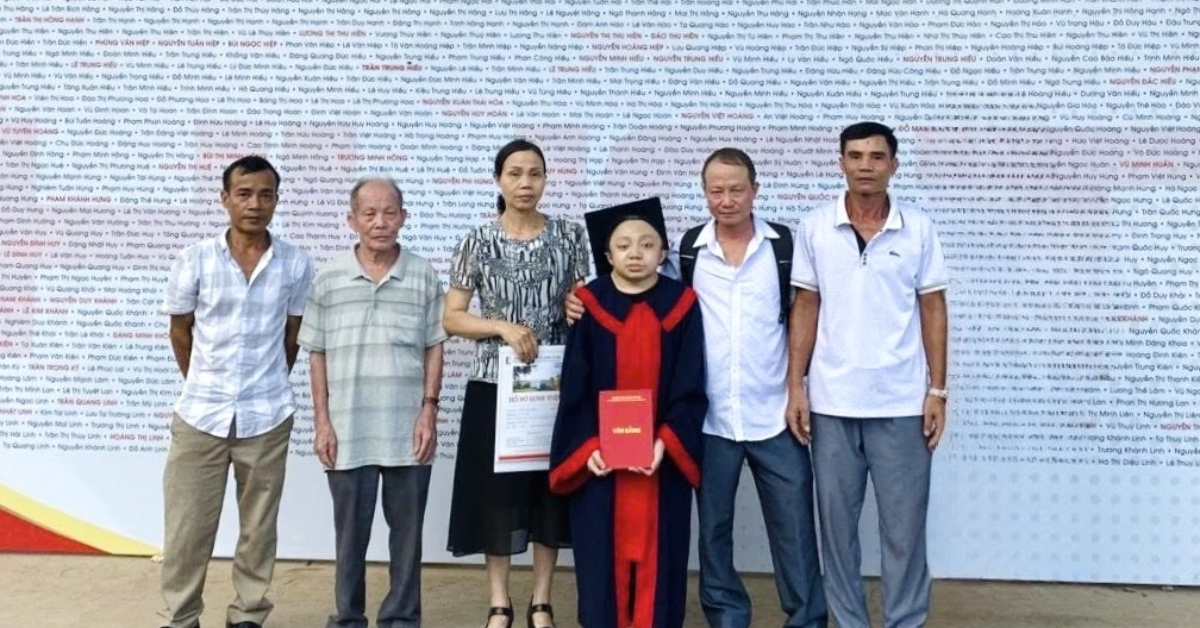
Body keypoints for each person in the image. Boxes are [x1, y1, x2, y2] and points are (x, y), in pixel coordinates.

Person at [566, 149, 827, 628]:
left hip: (774, 413)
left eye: (737, 189)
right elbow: (632, 286)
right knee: (714, 533)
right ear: (704, 193)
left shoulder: (785, 248)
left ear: (755, 189)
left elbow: (805, 317)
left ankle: (807, 620)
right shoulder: (689, 252)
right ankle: (727, 619)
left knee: (794, 529)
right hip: (711, 421)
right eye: (716, 190)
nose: (726, 200)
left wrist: (798, 388)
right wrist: (578, 300)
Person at [786, 122, 949, 628]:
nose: (865, 166)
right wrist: (796, 387)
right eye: (855, 156)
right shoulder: (815, 226)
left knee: (904, 532)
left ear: (893, 165)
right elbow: (806, 306)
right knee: (837, 533)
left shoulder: (917, 227)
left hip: (901, 404)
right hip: (832, 404)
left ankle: (905, 621)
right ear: (841, 163)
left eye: (877, 157)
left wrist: (937, 390)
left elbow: (933, 308)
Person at [159, 155, 314, 628]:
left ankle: (248, 613)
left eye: (266, 194)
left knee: (258, 529)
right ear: (225, 198)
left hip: (267, 415)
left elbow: (292, 336)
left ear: (277, 201)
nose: (255, 204)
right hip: (200, 415)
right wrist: (203, 382)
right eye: (244, 194)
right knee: (187, 528)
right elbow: (180, 330)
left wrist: (268, 383)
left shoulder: (295, 263)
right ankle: (181, 616)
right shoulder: (195, 259)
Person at [444, 139, 590, 628]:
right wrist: (500, 327)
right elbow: (453, 317)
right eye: (515, 174)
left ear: (545, 179)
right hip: (494, 386)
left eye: (535, 174)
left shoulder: (569, 236)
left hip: (555, 385)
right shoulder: (477, 240)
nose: (526, 183)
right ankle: (499, 601)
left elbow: (583, 302)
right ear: (498, 180)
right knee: (498, 496)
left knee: (549, 491)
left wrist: (576, 305)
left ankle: (541, 600)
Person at [299, 178, 447, 628]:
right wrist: (322, 422)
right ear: (352, 220)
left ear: (404, 217)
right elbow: (317, 353)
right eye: (369, 213)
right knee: (350, 536)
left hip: (408, 428)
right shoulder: (328, 278)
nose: (380, 222)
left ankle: (401, 618)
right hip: (347, 429)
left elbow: (435, 345)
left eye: (389, 212)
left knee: (408, 536)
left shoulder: (422, 274)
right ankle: (349, 617)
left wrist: (429, 410)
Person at [550, 206, 708, 628]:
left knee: (663, 558)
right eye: (623, 245)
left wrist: (665, 442)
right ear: (609, 255)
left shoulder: (682, 305)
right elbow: (575, 388)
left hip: (661, 462)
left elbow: (690, 384)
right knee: (601, 560)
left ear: (663, 254)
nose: (635, 253)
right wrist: (589, 447)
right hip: (602, 463)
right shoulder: (589, 306)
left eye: (646, 244)